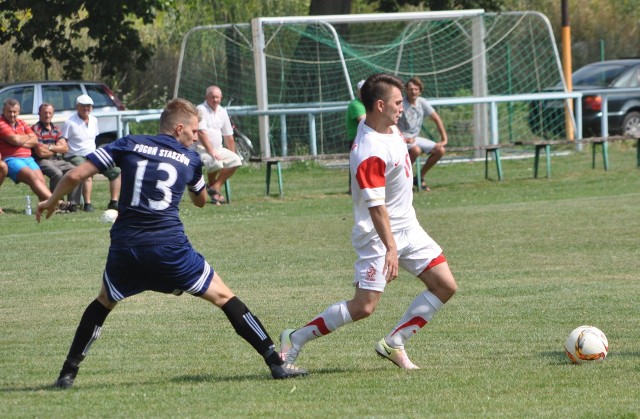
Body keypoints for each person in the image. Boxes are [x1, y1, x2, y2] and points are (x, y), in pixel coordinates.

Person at [37, 98, 307, 389]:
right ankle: (276, 364)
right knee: (225, 298)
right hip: (170, 248)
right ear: (179, 128)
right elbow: (201, 201)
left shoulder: (128, 143)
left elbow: (75, 174)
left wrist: (52, 201)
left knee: (103, 302)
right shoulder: (190, 159)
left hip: (127, 249)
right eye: (193, 131)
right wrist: (195, 187)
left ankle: (67, 374)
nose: (195, 137)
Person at [279, 74, 457, 370]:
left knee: (445, 285)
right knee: (364, 307)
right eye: (398, 102)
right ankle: (294, 339)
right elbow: (376, 208)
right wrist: (390, 249)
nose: (403, 107)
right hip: (378, 236)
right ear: (379, 105)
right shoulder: (369, 150)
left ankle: (394, 343)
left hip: (408, 227)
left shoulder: (386, 125)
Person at [62, 94, 121, 212]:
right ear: (77, 107)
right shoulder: (69, 122)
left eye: (89, 106)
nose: (86, 109)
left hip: (92, 154)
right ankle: (87, 204)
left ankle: (114, 202)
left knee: (116, 171)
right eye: (83, 106)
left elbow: (93, 139)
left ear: (92, 107)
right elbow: (63, 142)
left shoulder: (94, 120)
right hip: (75, 155)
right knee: (87, 174)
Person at [397, 76, 448, 192]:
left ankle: (419, 177)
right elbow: (392, 122)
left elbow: (436, 119)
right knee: (416, 150)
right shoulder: (401, 104)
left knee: (440, 150)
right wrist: (402, 137)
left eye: (416, 89)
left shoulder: (422, 102)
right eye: (410, 89)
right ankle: (402, 180)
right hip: (402, 139)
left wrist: (444, 138)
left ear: (420, 90)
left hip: (415, 138)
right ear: (406, 90)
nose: (413, 91)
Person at [0, 98, 52, 204]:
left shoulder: (22, 123)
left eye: (15, 112)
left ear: (19, 112)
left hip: (28, 158)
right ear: (3, 111)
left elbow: (35, 140)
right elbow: (15, 139)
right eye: (9, 111)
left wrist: (19, 140)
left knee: (41, 179)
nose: (12, 114)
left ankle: (47, 207)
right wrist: (25, 137)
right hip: (11, 159)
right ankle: (56, 202)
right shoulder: (1, 123)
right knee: (31, 176)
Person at [195, 85, 241, 205]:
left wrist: (232, 152)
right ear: (206, 97)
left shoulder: (223, 111)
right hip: (201, 149)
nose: (215, 100)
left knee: (236, 160)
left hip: (218, 149)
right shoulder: (200, 109)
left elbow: (228, 135)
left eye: (217, 97)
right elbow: (201, 133)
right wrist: (211, 151)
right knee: (216, 162)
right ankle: (213, 189)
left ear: (221, 97)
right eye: (212, 97)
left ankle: (215, 186)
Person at [31, 103, 81, 212]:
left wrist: (48, 147)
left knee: (77, 171)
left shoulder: (56, 129)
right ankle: (57, 204)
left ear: (53, 114)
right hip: (41, 161)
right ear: (39, 114)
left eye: (50, 113)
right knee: (57, 173)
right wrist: (55, 148)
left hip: (56, 159)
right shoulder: (36, 129)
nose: (47, 115)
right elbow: (40, 152)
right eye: (45, 113)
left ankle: (73, 204)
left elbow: (65, 148)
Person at [345, 79, 366, 194]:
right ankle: (353, 188)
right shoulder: (355, 104)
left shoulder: (369, 104)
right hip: (356, 139)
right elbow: (364, 120)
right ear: (358, 92)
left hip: (365, 138)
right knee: (357, 163)